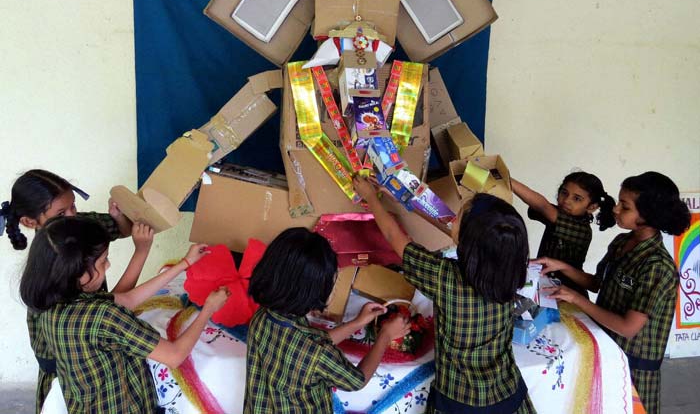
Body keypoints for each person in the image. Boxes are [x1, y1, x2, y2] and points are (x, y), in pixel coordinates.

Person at [354, 176, 536, 414]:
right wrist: (404, 198)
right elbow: (456, 231)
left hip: (457, 402)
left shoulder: (445, 277)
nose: (452, 219)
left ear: (468, 241)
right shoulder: (509, 268)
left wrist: (370, 197)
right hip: (507, 395)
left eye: (458, 217)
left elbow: (393, 237)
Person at [19, 215, 230, 414]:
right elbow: (174, 355)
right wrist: (209, 308)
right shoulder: (103, 316)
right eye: (103, 262)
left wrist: (185, 263)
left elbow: (126, 299)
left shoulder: (55, 303)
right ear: (78, 274)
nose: (108, 265)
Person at [0, 169, 155, 413]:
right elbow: (100, 315)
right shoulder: (47, 274)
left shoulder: (82, 225)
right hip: (67, 366)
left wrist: (118, 217)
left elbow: (121, 230)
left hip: (95, 346)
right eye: (61, 213)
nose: (72, 215)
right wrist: (142, 252)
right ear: (30, 222)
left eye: (73, 206)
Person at [536, 171, 690, 414]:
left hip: (635, 366)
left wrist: (575, 298)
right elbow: (598, 283)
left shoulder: (657, 267)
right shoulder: (621, 242)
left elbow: (628, 327)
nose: (616, 210)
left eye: (624, 206)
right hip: (606, 348)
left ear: (648, 215)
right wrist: (562, 266)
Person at [244, 227, 410, 413]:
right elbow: (357, 380)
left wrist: (357, 323)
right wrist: (385, 336)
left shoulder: (264, 316)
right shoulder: (317, 353)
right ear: (313, 291)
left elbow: (309, 344)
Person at [512, 171, 615, 294]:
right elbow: (537, 207)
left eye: (577, 199)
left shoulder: (582, 230)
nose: (566, 200)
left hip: (568, 291)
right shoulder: (558, 214)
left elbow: (542, 206)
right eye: (564, 193)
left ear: (591, 207)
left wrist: (505, 178)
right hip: (545, 285)